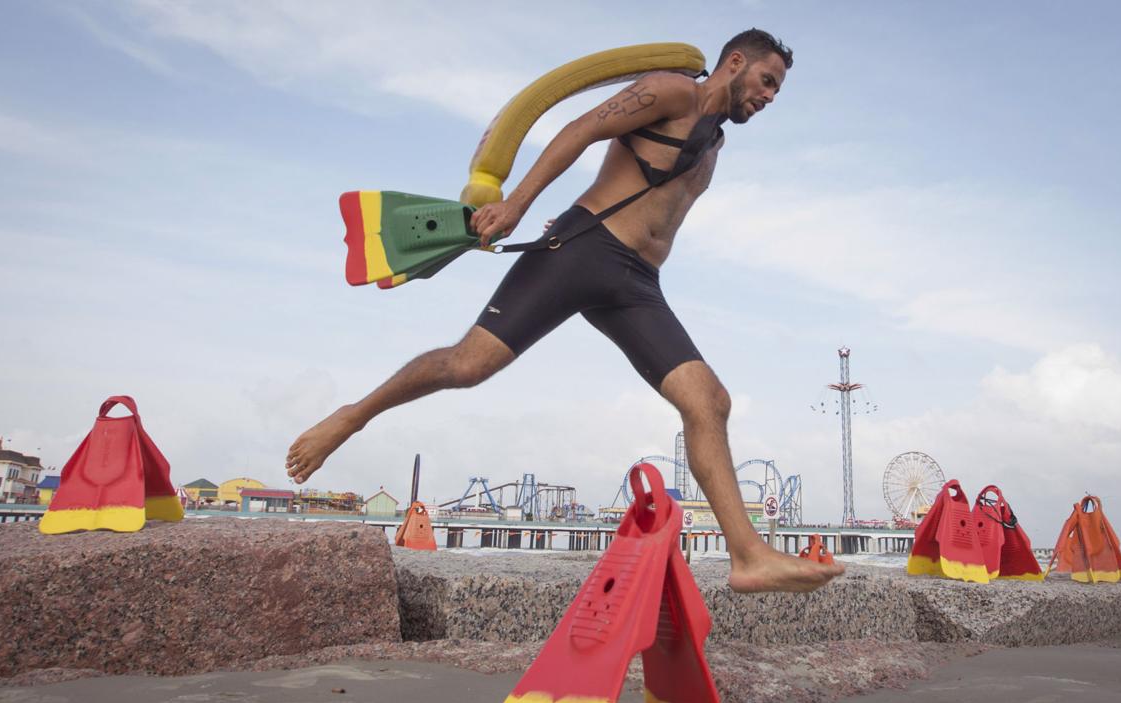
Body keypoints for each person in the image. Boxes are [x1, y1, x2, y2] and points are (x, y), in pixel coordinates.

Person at [288, 29, 846, 593]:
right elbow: (582, 129)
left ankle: (748, 556)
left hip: (637, 283)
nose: (770, 96)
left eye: (776, 89)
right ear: (735, 62)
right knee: (467, 366)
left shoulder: (714, 141)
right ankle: (351, 416)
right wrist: (517, 203)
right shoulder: (670, 91)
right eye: (767, 81)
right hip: (584, 250)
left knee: (709, 402)